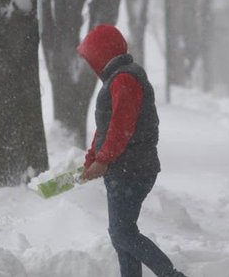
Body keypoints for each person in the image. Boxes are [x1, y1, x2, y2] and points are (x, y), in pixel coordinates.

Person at [77, 24, 186, 277]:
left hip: (131, 169)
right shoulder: (119, 79)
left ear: (102, 53)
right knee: (121, 234)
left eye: (92, 56)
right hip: (125, 167)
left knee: (122, 233)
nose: (91, 64)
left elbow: (121, 126)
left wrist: (103, 160)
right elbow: (106, 127)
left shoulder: (125, 79)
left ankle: (171, 275)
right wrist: (92, 158)